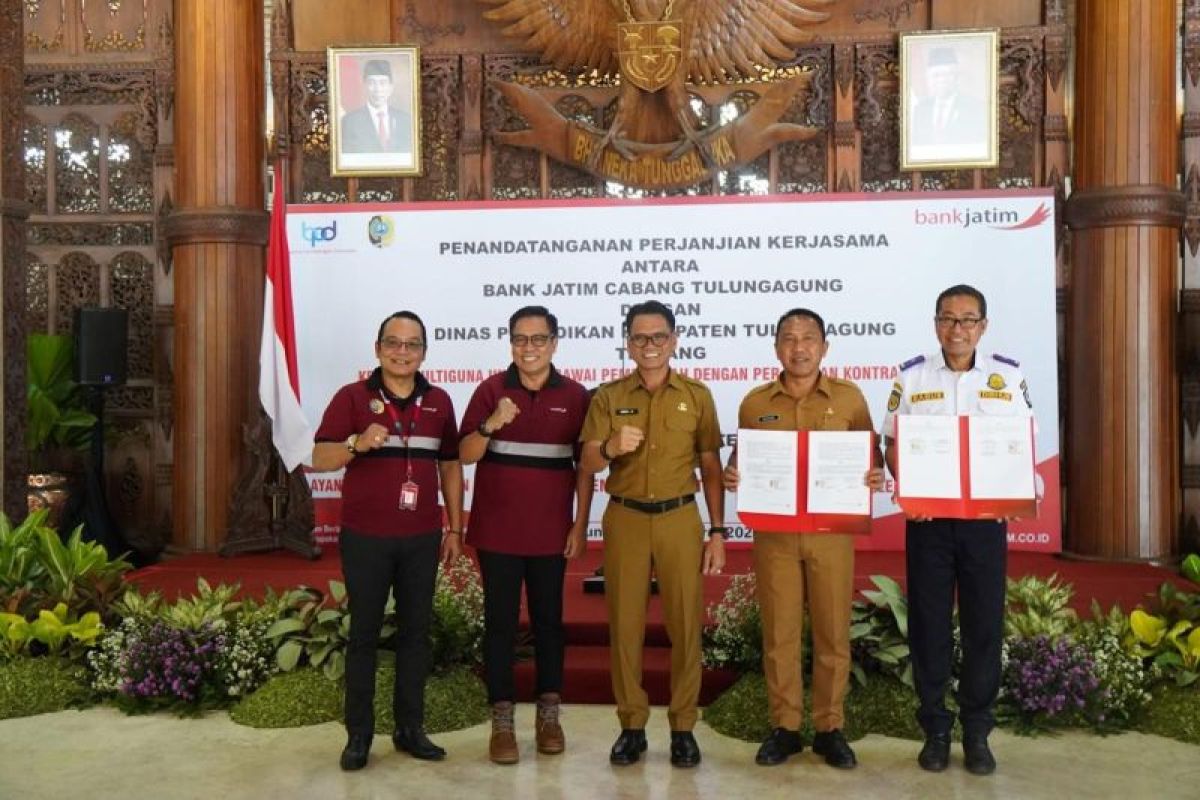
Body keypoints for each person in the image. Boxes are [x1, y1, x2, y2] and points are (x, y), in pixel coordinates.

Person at [881, 284, 1033, 777]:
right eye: (948, 319)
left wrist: (1015, 492)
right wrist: (910, 490)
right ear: (935, 324)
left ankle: (976, 730)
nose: (958, 329)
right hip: (929, 524)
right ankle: (936, 729)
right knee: (929, 627)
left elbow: (1020, 441)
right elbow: (892, 444)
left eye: (968, 320)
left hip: (985, 525)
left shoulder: (1007, 377)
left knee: (984, 626)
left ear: (983, 327)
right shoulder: (912, 377)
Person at [723, 308, 885, 770]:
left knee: (834, 631)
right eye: (789, 339)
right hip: (775, 535)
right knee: (780, 633)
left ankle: (830, 727)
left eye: (808, 338)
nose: (799, 347)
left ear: (824, 347)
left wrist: (875, 475)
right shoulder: (754, 403)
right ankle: (786, 727)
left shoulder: (850, 399)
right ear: (776, 348)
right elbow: (743, 461)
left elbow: (869, 457)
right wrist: (736, 474)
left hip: (831, 534)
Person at [310, 310, 464, 771]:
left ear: (423, 352)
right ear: (378, 349)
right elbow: (319, 458)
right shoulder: (352, 397)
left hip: (420, 538)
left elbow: (451, 466)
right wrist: (356, 443)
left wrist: (455, 528)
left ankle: (409, 729)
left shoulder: (439, 401)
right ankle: (359, 735)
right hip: (366, 539)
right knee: (364, 636)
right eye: (393, 343)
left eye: (412, 344)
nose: (402, 352)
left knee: (416, 636)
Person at [579, 299, 726, 769]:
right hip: (625, 518)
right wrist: (608, 445)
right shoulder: (606, 396)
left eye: (659, 336)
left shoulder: (697, 395)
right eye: (640, 338)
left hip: (680, 517)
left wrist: (718, 530)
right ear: (628, 343)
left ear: (675, 340)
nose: (650, 346)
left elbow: (710, 466)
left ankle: (683, 726)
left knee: (685, 623)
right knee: (625, 625)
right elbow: (587, 461)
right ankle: (632, 725)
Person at [458, 305, 594, 765]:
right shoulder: (491, 390)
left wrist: (580, 523)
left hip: (551, 533)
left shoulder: (576, 396)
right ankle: (502, 720)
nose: (529, 348)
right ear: (510, 342)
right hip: (496, 531)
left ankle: (548, 713)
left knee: (549, 622)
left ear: (555, 343)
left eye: (538, 339)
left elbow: (585, 468)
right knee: (499, 624)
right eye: (520, 339)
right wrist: (490, 423)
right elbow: (465, 454)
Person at [909, 46, 987, 148]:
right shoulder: (920, 109)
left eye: (947, 74)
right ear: (929, 78)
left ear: (956, 76)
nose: (941, 80)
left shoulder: (975, 107)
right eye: (936, 75)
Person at [339, 58, 413, 155]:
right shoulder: (350, 122)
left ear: (391, 88)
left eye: (382, 83)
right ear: (364, 86)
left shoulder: (405, 120)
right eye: (372, 83)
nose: (377, 89)